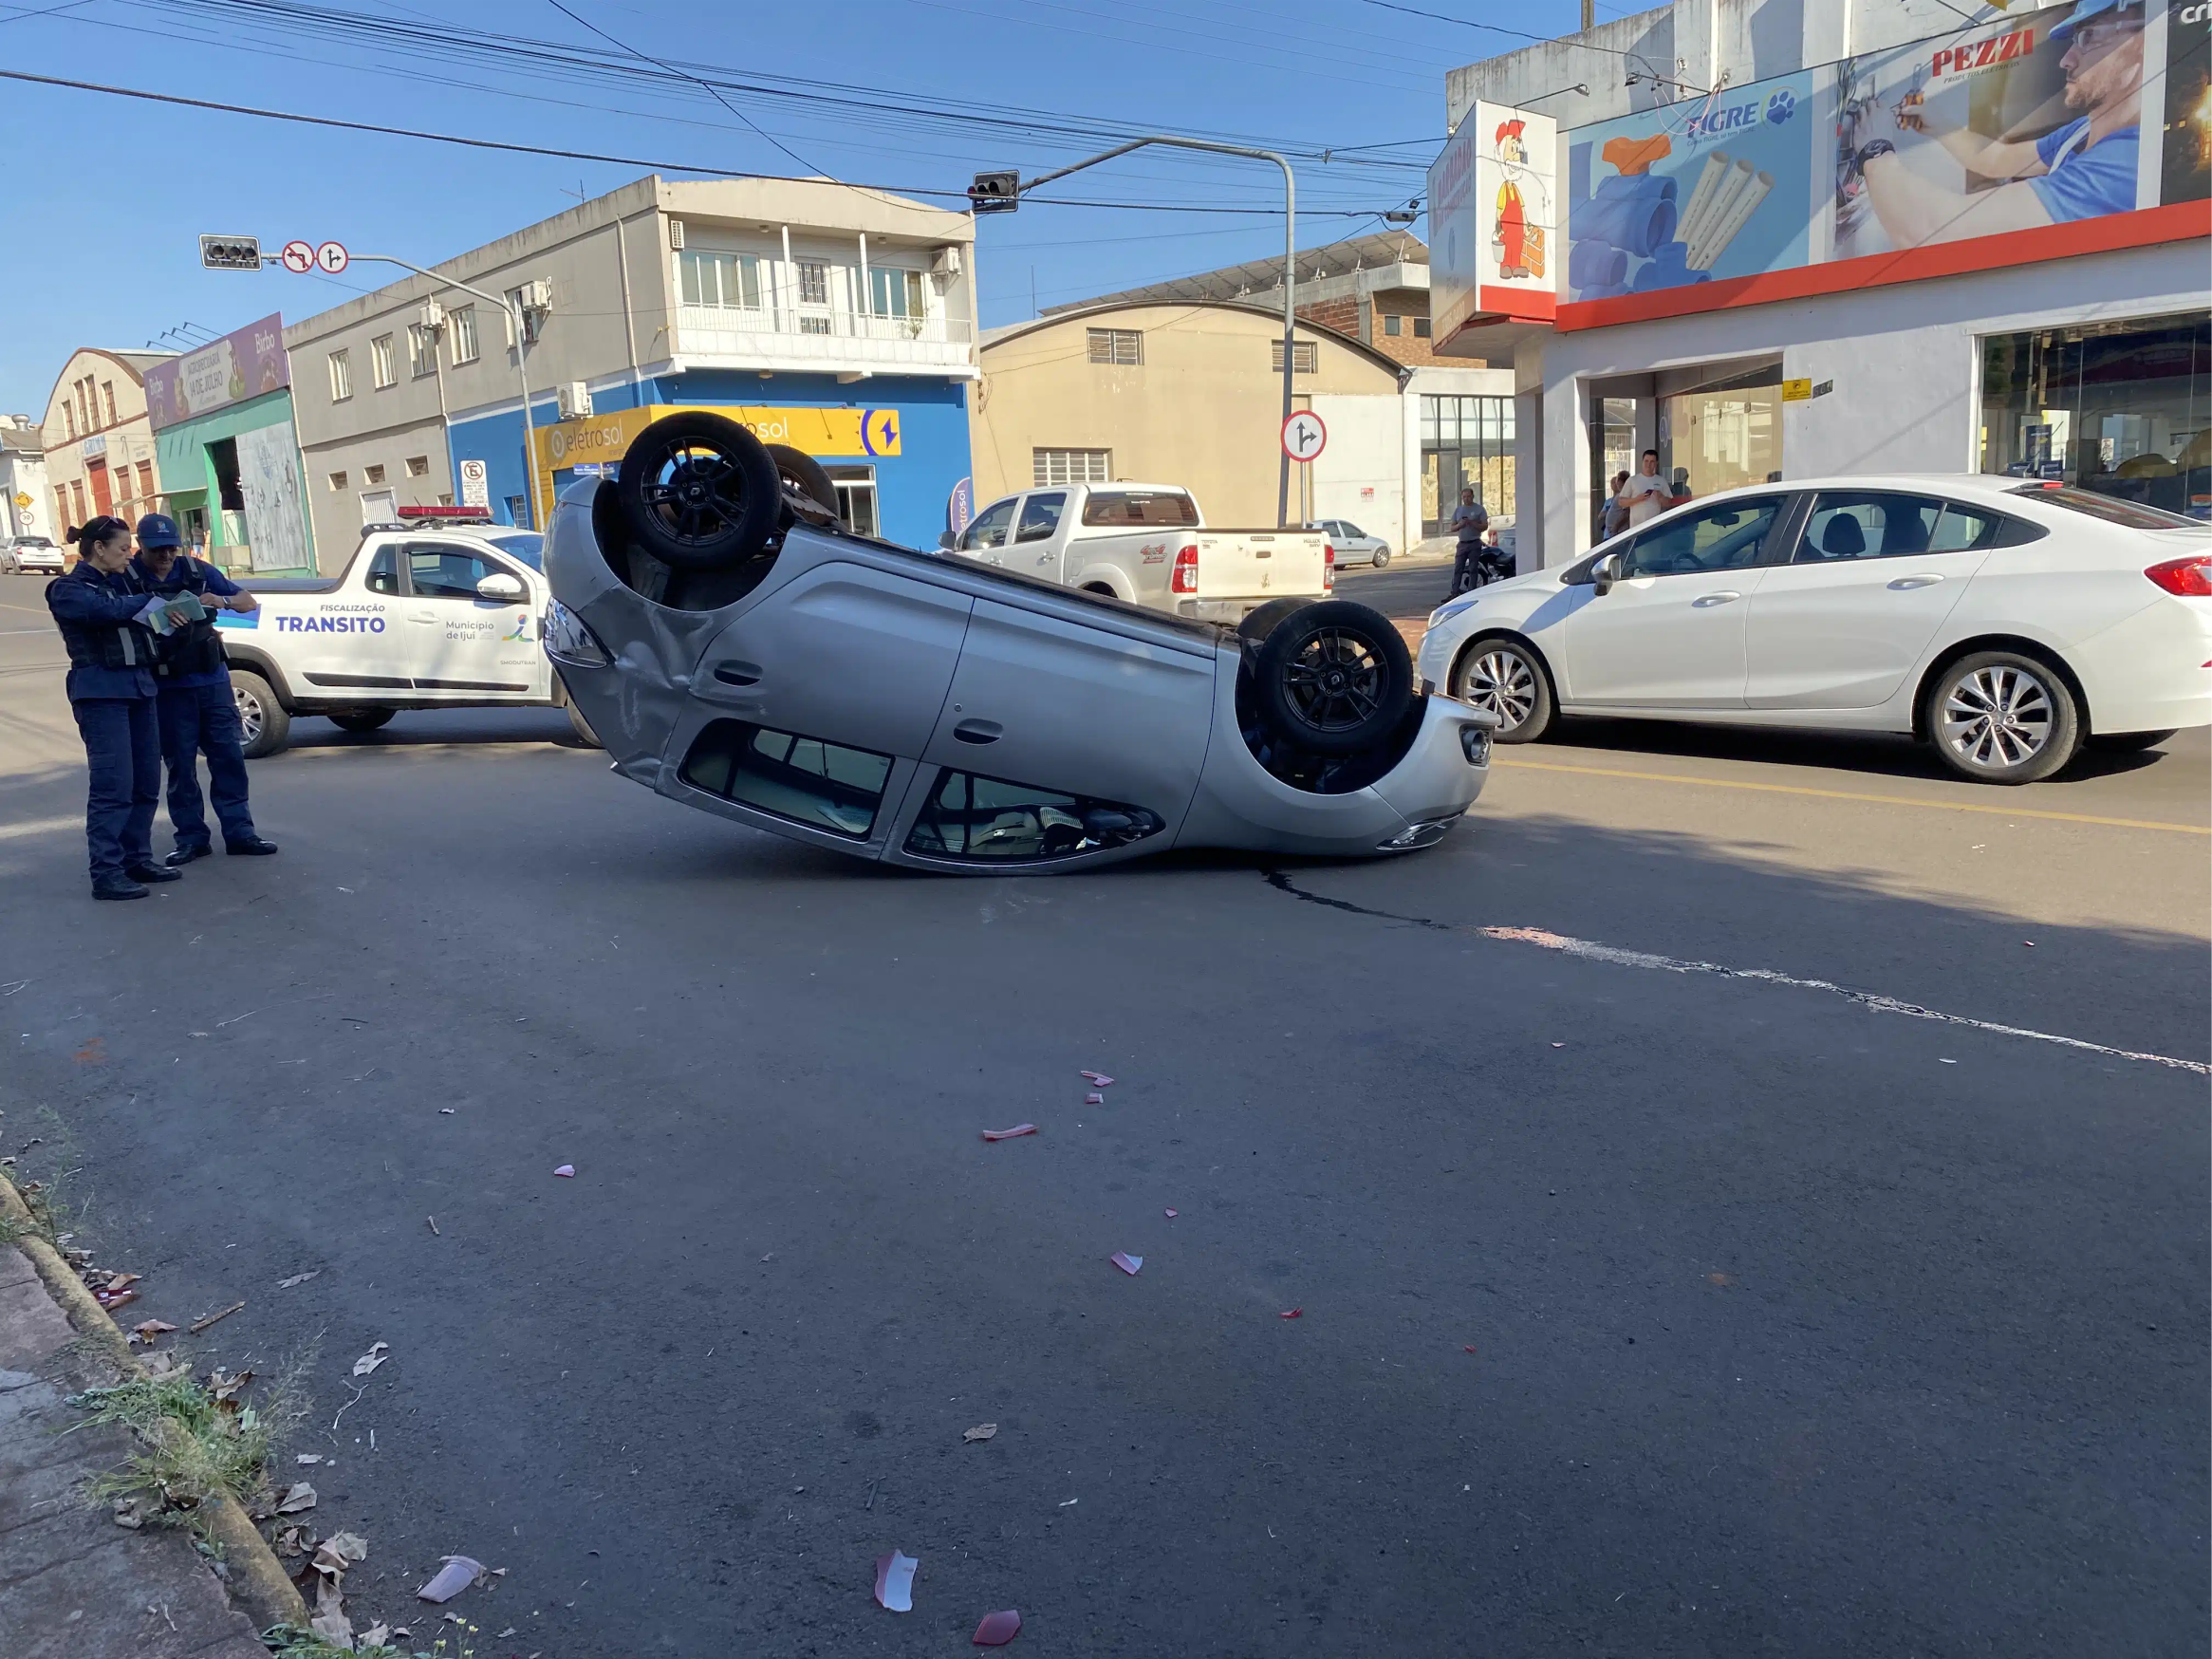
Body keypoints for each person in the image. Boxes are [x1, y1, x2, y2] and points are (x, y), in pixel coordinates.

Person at [1858, 0, 2143, 247]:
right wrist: (1935, 123)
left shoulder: (2127, 164)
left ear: (2141, 44)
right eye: (2073, 40)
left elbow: (1931, 231)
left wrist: (1875, 151)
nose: (2066, 60)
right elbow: (1997, 159)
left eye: (2089, 36)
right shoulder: (2083, 131)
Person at [130, 514, 277, 865]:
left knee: (228, 759)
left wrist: (219, 601)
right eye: (157, 550)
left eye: (171, 548)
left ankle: (240, 832)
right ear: (141, 547)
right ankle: (192, 838)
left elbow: (248, 601)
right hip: (168, 685)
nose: (166, 556)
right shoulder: (130, 576)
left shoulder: (196, 570)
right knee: (181, 767)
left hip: (211, 680)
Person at [44, 516, 177, 900]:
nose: (129, 555)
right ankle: (106, 872)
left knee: (145, 783)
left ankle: (137, 858)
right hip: (101, 692)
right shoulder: (67, 588)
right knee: (113, 786)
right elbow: (101, 611)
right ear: (98, 548)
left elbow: (144, 607)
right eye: (122, 548)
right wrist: (149, 603)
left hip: (140, 687)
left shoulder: (126, 582)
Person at [1449, 487, 1491, 595]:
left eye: (1468, 497)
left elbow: (1485, 526)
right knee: (1458, 568)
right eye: (1464, 497)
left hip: (1474, 543)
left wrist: (1472, 523)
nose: (1466, 499)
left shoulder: (1479, 509)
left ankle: (1472, 591)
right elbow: (1452, 527)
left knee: (1473, 568)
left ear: (1472, 496)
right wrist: (1460, 525)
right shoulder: (1458, 510)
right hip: (1462, 543)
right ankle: (1454, 592)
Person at [1617, 450, 1670, 529]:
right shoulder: (1632, 480)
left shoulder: (1661, 481)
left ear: (1656, 463)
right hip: (1636, 528)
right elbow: (1621, 502)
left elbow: (1668, 503)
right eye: (1646, 461)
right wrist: (1637, 499)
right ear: (1642, 462)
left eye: (1652, 462)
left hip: (1654, 527)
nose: (1648, 465)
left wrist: (1661, 497)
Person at [1602, 471, 1632, 539]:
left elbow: (1626, 513)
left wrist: (1615, 527)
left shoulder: (1624, 494)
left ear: (1619, 481)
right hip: (1614, 532)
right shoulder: (1621, 494)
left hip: (1619, 532)